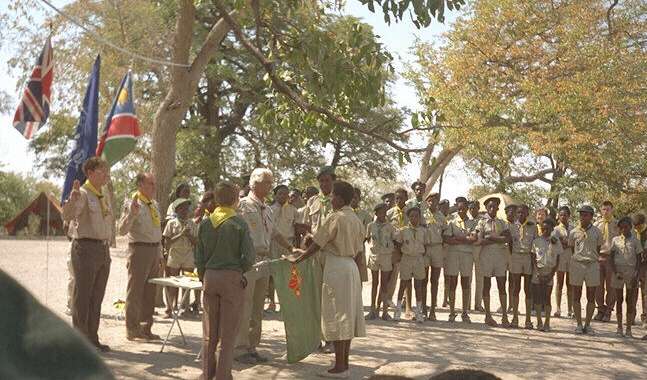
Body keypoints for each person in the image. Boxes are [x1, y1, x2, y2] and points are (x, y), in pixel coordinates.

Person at [290, 180, 366, 378]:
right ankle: (343, 363)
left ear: (339, 198)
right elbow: (359, 250)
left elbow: (318, 243)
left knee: (338, 315)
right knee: (347, 316)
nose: (331, 199)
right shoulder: (356, 219)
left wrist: (300, 257)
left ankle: (340, 367)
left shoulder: (336, 217)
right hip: (350, 268)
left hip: (336, 268)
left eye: (332, 196)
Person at [195, 181, 255, 380]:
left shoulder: (205, 223)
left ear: (217, 199)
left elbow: (199, 255)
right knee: (228, 334)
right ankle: (223, 375)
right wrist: (240, 271)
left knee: (209, 332)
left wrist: (203, 274)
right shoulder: (238, 223)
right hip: (231, 277)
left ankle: (207, 374)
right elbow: (249, 257)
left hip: (210, 276)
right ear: (235, 200)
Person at [235, 168, 293, 364]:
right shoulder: (242, 205)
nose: (269, 186)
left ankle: (252, 346)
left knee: (258, 306)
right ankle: (239, 348)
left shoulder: (267, 209)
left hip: (265, 259)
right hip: (248, 260)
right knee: (245, 304)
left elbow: (274, 233)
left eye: (270, 182)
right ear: (253, 183)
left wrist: (291, 248)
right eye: (266, 182)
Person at [62, 157, 113, 352]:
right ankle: (79, 342)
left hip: (102, 249)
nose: (106, 175)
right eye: (102, 171)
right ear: (90, 173)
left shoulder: (103, 195)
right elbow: (67, 216)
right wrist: (72, 200)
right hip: (85, 248)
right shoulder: (82, 193)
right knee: (82, 297)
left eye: (106, 171)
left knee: (96, 297)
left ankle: (92, 338)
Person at [118, 172, 163, 341]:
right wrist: (131, 214)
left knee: (150, 292)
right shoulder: (132, 203)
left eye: (154, 183)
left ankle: (146, 328)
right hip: (139, 250)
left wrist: (159, 253)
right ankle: (132, 328)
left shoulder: (154, 204)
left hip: (153, 250)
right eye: (150, 183)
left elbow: (157, 230)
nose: (154, 187)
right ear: (140, 185)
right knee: (135, 291)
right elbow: (121, 230)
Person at [568, 205, 603, 334]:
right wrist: (580, 258)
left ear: (591, 216)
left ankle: (588, 324)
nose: (583, 217)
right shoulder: (573, 232)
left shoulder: (597, 232)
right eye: (581, 214)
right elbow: (573, 249)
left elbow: (598, 249)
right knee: (576, 295)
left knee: (591, 295)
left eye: (586, 214)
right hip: (577, 264)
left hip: (592, 265)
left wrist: (590, 258)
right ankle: (578, 323)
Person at [477, 197, 511, 327]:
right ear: (486, 208)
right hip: (486, 256)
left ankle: (504, 316)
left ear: (498, 208)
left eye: (495, 206)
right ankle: (488, 315)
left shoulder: (502, 223)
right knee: (487, 286)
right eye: (490, 206)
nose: (492, 209)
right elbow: (480, 241)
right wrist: (498, 238)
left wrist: (490, 236)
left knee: (502, 285)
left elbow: (507, 238)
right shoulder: (482, 223)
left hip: (500, 257)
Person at [443, 198, 477, 323]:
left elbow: (473, 238)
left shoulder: (473, 223)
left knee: (465, 282)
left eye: (463, 208)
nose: (461, 210)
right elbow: (447, 238)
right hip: (453, 254)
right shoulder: (452, 221)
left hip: (467, 255)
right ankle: (452, 312)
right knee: (452, 282)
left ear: (467, 208)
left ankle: (465, 312)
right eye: (459, 208)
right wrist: (465, 238)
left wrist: (457, 238)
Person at [162, 198, 197, 318]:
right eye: (182, 208)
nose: (185, 211)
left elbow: (196, 242)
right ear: (177, 210)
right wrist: (181, 234)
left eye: (187, 208)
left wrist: (189, 235)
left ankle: (185, 308)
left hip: (188, 255)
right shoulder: (171, 223)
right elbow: (167, 243)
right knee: (173, 283)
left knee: (187, 283)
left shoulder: (192, 224)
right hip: (175, 255)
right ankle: (170, 308)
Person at [394, 207, 429, 323]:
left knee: (418, 285)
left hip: (418, 259)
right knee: (403, 284)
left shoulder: (423, 231)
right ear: (408, 217)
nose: (414, 218)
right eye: (412, 216)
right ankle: (398, 311)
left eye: (416, 216)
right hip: (406, 258)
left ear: (420, 217)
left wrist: (421, 255)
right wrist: (403, 254)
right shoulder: (403, 231)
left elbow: (426, 245)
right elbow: (398, 244)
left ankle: (419, 312)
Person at [609, 217, 642, 337]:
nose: (623, 229)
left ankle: (628, 328)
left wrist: (636, 274)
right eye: (621, 227)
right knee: (619, 300)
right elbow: (611, 258)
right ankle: (619, 327)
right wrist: (615, 271)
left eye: (626, 227)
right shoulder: (615, 240)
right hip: (618, 271)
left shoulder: (635, 241)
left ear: (630, 227)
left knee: (630, 300)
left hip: (631, 271)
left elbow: (639, 259)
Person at [267, 184, 298, 312]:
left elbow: (297, 229)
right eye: (280, 193)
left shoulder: (293, 210)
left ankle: (287, 301)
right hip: (273, 244)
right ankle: (272, 302)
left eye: (285, 194)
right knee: (272, 274)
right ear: (275, 195)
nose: (283, 196)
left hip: (288, 244)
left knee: (288, 273)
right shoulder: (269, 210)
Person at [365, 203, 397, 320]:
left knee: (384, 284)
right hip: (374, 256)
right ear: (376, 213)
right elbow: (367, 239)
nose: (383, 214)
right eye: (381, 212)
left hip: (386, 257)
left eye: (385, 212)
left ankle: (384, 311)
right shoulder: (370, 226)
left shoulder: (390, 227)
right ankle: (372, 310)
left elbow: (395, 239)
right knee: (374, 283)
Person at [531, 218, 562, 332]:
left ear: (552, 229)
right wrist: (537, 272)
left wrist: (552, 274)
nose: (545, 230)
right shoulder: (536, 241)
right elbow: (533, 257)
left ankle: (547, 322)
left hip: (550, 272)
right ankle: (539, 321)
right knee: (538, 298)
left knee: (547, 298)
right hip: (538, 271)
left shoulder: (556, 242)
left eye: (548, 228)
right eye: (543, 228)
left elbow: (558, 259)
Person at [509, 205, 536, 329]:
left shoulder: (533, 227)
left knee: (528, 289)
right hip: (516, 257)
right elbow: (509, 243)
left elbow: (535, 245)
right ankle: (515, 317)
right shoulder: (511, 226)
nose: (520, 214)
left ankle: (528, 319)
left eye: (523, 212)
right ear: (516, 213)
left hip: (527, 257)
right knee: (515, 287)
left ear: (527, 213)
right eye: (518, 212)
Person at [386, 188, 411, 317]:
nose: (398, 200)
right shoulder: (390, 213)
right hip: (394, 247)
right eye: (396, 198)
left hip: (407, 247)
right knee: (391, 274)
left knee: (406, 275)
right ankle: (387, 301)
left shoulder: (410, 212)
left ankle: (407, 305)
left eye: (401, 198)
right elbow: (386, 229)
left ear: (406, 198)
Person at [594, 200, 619, 322]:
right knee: (598, 286)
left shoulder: (617, 224)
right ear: (600, 210)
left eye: (608, 209)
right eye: (603, 209)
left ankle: (609, 310)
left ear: (612, 209)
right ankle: (600, 309)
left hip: (611, 258)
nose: (605, 211)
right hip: (598, 257)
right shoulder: (597, 224)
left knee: (611, 286)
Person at [424, 192, 446, 321]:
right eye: (430, 201)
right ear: (427, 202)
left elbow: (444, 232)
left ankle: (433, 309)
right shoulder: (423, 216)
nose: (433, 203)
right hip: (426, 248)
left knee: (435, 281)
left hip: (437, 248)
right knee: (424, 280)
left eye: (435, 201)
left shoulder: (442, 217)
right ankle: (423, 309)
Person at [554, 206, 574, 318]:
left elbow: (573, 243)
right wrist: (565, 243)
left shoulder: (573, 228)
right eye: (561, 215)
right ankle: (558, 308)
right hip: (560, 257)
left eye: (565, 215)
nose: (563, 217)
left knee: (570, 284)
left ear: (569, 216)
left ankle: (570, 309)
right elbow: (556, 244)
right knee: (559, 283)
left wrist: (565, 242)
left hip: (571, 257)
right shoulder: (556, 229)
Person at [352, 187, 372, 283]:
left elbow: (367, 234)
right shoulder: (342, 213)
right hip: (346, 248)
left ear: (359, 199)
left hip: (359, 248)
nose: (353, 200)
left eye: (355, 197)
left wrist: (359, 243)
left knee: (358, 277)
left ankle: (358, 297)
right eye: (351, 197)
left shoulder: (365, 215)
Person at [631, 213, 647, 327]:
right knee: (632, 291)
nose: (636, 227)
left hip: (645, 265)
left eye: (638, 225)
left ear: (642, 224)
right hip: (633, 265)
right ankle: (631, 316)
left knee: (645, 292)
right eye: (634, 225)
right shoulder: (632, 233)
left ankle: (645, 318)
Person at [469, 200, 484, 311]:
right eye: (470, 208)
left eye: (474, 208)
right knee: (467, 278)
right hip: (468, 251)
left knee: (480, 279)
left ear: (478, 208)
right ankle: (467, 303)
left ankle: (478, 304)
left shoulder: (483, 220)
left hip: (480, 251)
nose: (472, 210)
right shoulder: (467, 220)